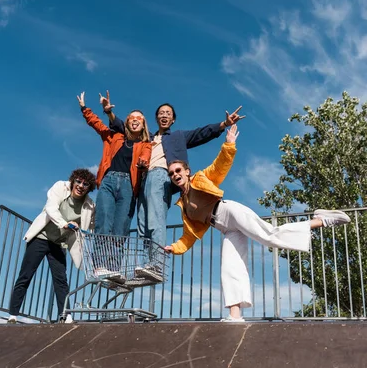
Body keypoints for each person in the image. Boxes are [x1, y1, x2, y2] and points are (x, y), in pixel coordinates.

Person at [164, 125, 351, 322]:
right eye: (171, 173)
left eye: (178, 170)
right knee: (230, 265)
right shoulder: (183, 205)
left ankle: (321, 220)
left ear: (187, 171)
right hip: (225, 227)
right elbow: (188, 237)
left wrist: (229, 145)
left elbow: (219, 167)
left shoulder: (199, 179)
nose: (175, 175)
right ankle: (235, 316)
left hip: (230, 212)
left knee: (269, 235)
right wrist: (173, 248)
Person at [101, 90, 244, 281]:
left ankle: (157, 263)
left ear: (173, 119)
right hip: (143, 180)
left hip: (160, 176)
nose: (164, 115)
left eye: (168, 113)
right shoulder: (147, 138)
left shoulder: (177, 137)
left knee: (155, 220)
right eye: (161, 113)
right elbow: (124, 127)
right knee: (143, 225)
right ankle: (149, 263)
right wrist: (109, 114)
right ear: (156, 118)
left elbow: (201, 133)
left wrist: (224, 124)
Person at [77, 92, 151, 280]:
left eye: (139, 119)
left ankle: (113, 267)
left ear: (143, 124)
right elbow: (97, 124)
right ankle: (100, 265)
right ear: (127, 122)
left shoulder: (145, 144)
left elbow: (145, 159)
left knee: (121, 229)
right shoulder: (114, 137)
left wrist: (143, 165)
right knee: (103, 223)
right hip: (109, 181)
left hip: (128, 186)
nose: (135, 121)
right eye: (131, 118)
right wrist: (85, 109)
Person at [8, 169, 96, 324]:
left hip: (59, 243)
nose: (81, 186)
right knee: (26, 275)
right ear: (73, 181)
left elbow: (90, 227)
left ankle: (66, 316)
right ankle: (13, 315)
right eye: (78, 181)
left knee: (61, 280)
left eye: (85, 184)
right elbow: (51, 208)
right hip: (41, 238)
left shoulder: (89, 205)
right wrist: (64, 223)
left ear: (89, 188)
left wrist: (78, 226)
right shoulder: (60, 187)